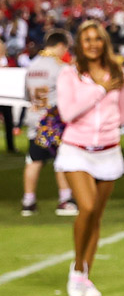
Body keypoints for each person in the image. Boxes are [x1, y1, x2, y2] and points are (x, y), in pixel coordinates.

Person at [54, 21, 124, 296]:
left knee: (96, 217)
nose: (92, 44)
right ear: (79, 44)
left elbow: (123, 114)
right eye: (86, 39)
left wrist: (110, 123)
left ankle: (86, 276)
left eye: (97, 39)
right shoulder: (69, 74)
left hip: (108, 151)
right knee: (86, 207)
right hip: (76, 150)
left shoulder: (117, 72)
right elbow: (67, 112)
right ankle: (76, 269)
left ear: (104, 42)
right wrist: (99, 90)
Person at [21, 29, 76, 217]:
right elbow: (68, 96)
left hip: (34, 118)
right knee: (61, 161)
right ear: (61, 46)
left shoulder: (32, 65)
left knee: (34, 160)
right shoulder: (60, 67)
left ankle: (28, 201)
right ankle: (65, 200)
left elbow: (27, 95)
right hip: (53, 121)